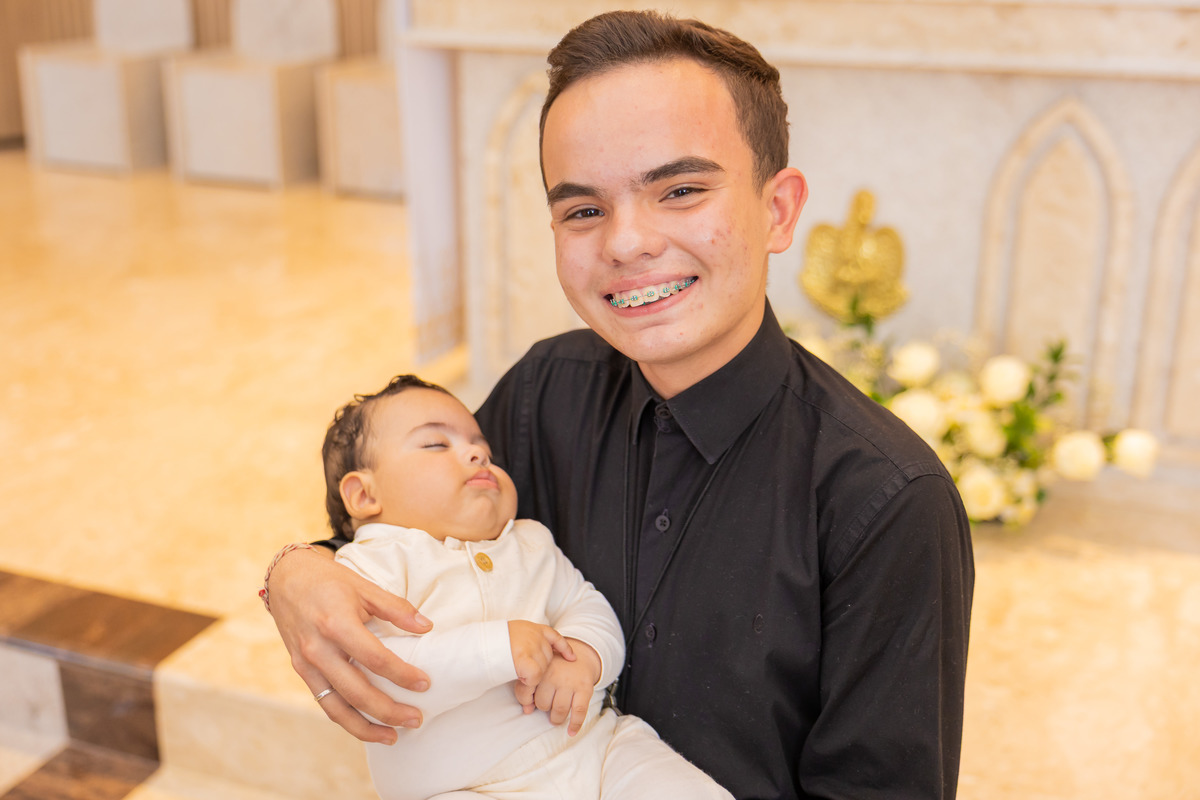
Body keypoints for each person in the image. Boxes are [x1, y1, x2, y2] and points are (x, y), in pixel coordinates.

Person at [262, 10, 974, 800]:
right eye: (583, 210)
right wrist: (299, 569)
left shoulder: (884, 502)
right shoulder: (544, 391)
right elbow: (409, 535)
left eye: (679, 189)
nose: (627, 243)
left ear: (777, 210)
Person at [314, 373, 734, 799]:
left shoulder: (529, 541)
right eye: (437, 444)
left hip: (595, 746)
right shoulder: (370, 566)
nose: (477, 453)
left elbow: (586, 606)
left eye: (483, 447)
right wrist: (498, 648)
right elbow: (378, 672)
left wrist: (585, 655)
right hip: (465, 785)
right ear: (364, 496)